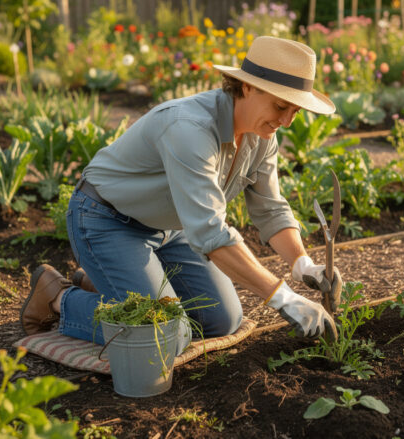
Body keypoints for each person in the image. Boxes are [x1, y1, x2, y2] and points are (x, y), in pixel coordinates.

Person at [19, 36, 342, 352]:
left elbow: (271, 209)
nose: (286, 120)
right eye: (281, 105)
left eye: (296, 111)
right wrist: (283, 297)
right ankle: (58, 297)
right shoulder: (190, 128)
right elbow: (210, 232)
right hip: (106, 221)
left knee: (222, 320)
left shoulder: (262, 134)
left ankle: (106, 285)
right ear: (248, 86)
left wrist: (303, 264)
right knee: (166, 337)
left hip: (171, 229)